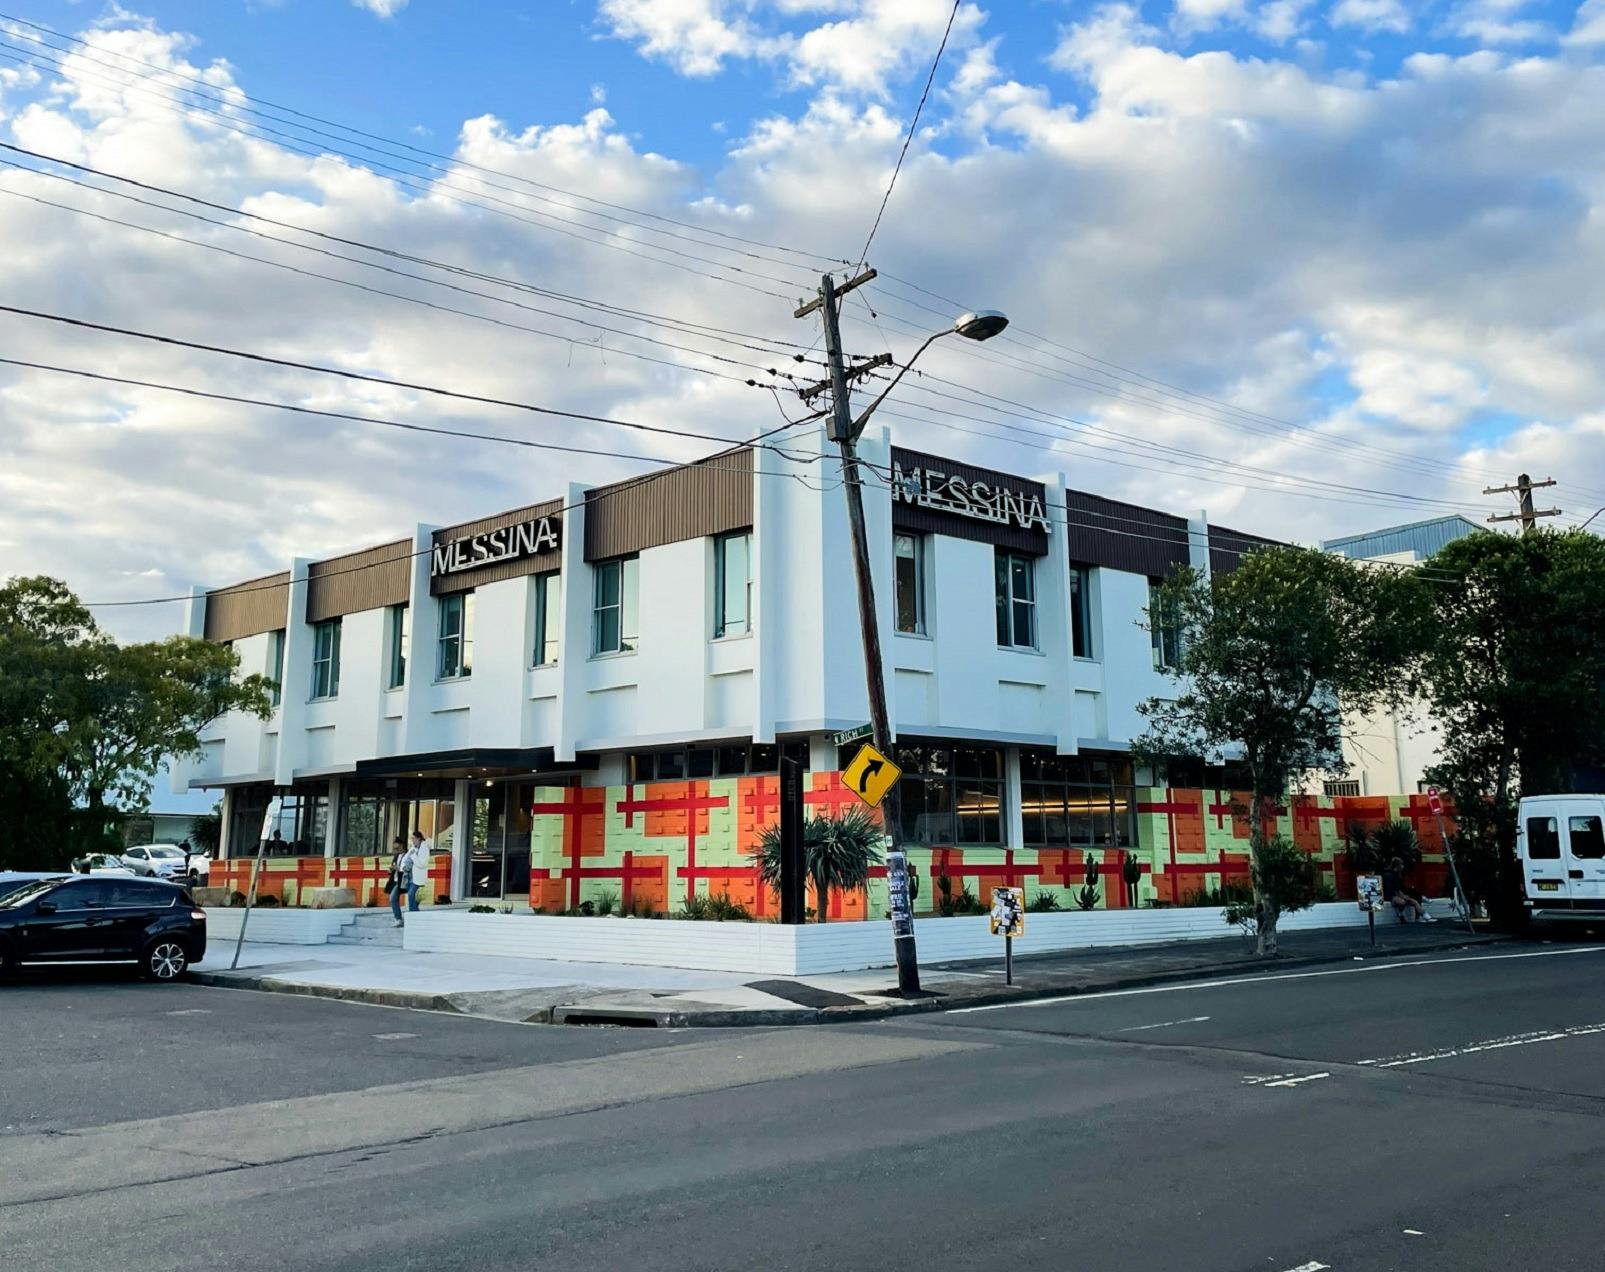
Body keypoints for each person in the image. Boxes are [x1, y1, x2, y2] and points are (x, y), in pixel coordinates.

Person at [1383, 856, 1434, 923]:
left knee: (1415, 902)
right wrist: (1403, 896)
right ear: (1397, 866)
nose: (1403, 866)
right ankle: (1401, 914)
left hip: (1398, 894)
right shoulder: (1389, 875)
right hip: (1391, 896)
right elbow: (1392, 889)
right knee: (1402, 901)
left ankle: (1426, 916)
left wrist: (1405, 896)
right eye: (1401, 864)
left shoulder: (1398, 875)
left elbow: (1400, 888)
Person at [401, 829, 433, 916]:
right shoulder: (413, 848)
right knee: (412, 897)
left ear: (419, 839)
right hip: (409, 876)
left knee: (411, 894)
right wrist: (403, 867)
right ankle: (416, 914)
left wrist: (413, 856)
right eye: (412, 838)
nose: (412, 840)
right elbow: (405, 858)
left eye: (414, 838)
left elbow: (422, 864)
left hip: (417, 877)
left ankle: (413, 914)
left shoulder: (424, 848)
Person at [386, 836, 409, 926]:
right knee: (394, 899)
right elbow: (394, 867)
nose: (396, 850)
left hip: (402, 880)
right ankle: (398, 918)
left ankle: (399, 919)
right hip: (395, 880)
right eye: (395, 848)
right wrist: (391, 870)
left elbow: (406, 868)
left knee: (392, 898)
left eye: (397, 848)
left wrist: (398, 868)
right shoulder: (396, 856)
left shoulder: (406, 856)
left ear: (401, 846)